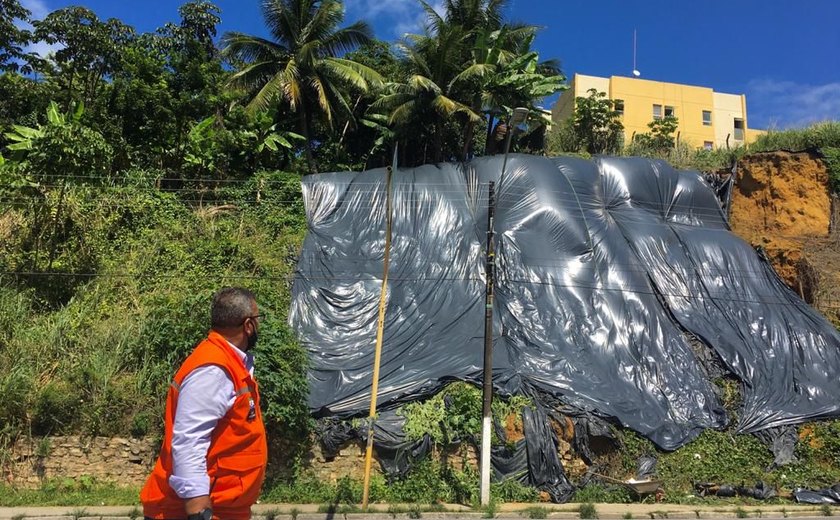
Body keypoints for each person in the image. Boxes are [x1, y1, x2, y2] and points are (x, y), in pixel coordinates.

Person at [141, 287, 267, 520]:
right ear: (248, 325)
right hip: (198, 510)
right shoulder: (213, 368)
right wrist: (199, 509)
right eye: (259, 320)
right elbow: (189, 440)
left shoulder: (229, 362)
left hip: (226, 507)